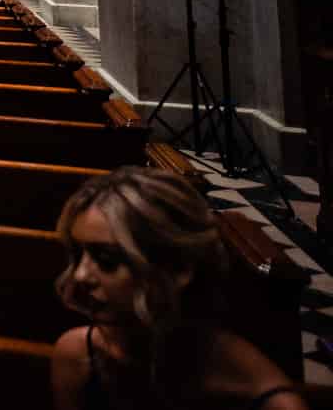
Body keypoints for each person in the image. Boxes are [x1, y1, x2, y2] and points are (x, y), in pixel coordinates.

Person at [49, 167, 302, 410]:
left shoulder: (268, 400)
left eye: (107, 260)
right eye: (77, 255)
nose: (81, 276)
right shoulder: (79, 356)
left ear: (177, 267)